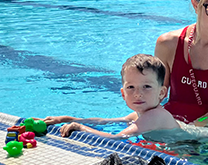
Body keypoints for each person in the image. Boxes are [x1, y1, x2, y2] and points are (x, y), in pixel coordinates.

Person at [44, 54, 179, 139]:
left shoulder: (155, 115)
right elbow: (104, 121)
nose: (138, 94)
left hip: (192, 147)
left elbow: (117, 138)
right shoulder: (139, 114)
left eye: (147, 87)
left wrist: (81, 128)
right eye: (131, 87)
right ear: (123, 94)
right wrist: (67, 119)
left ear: (161, 93)